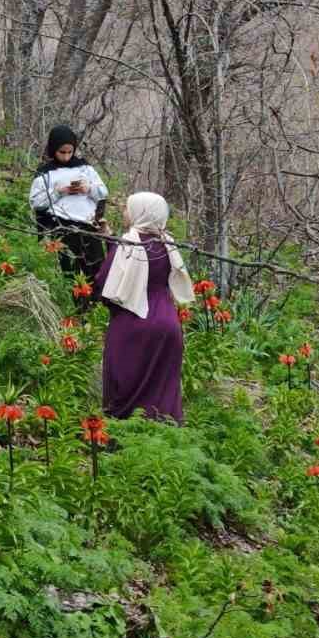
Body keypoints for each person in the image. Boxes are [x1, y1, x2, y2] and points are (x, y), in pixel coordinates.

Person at [92, 192, 195, 423]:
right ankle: (162, 438)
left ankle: (123, 441)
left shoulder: (128, 245)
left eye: (128, 208)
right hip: (168, 324)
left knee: (125, 386)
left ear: (141, 213)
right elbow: (144, 264)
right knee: (161, 388)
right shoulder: (167, 243)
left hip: (134, 323)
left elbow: (107, 282)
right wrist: (110, 239)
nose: (124, 212)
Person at [30, 125, 109, 309]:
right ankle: (78, 309)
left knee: (96, 269)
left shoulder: (85, 168)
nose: (66, 156)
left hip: (88, 225)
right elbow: (36, 202)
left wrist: (88, 189)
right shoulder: (45, 172)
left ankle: (98, 308)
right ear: (53, 149)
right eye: (61, 152)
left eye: (69, 152)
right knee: (70, 270)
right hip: (62, 226)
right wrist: (59, 191)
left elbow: (103, 192)